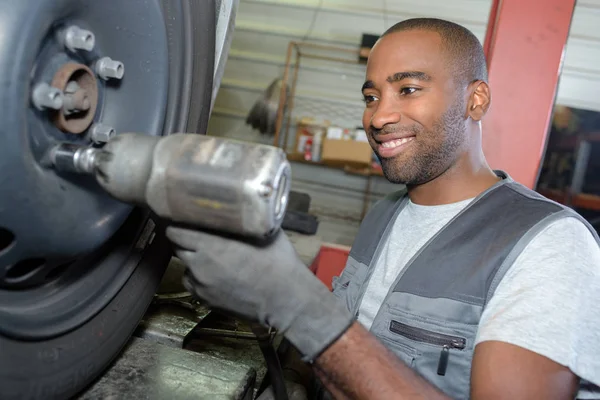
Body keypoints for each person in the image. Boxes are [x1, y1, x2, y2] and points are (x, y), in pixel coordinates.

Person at [166, 18, 600, 400]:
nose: (377, 117)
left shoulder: (550, 244)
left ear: (476, 100)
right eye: (371, 96)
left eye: (408, 89)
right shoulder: (385, 213)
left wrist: (294, 303)